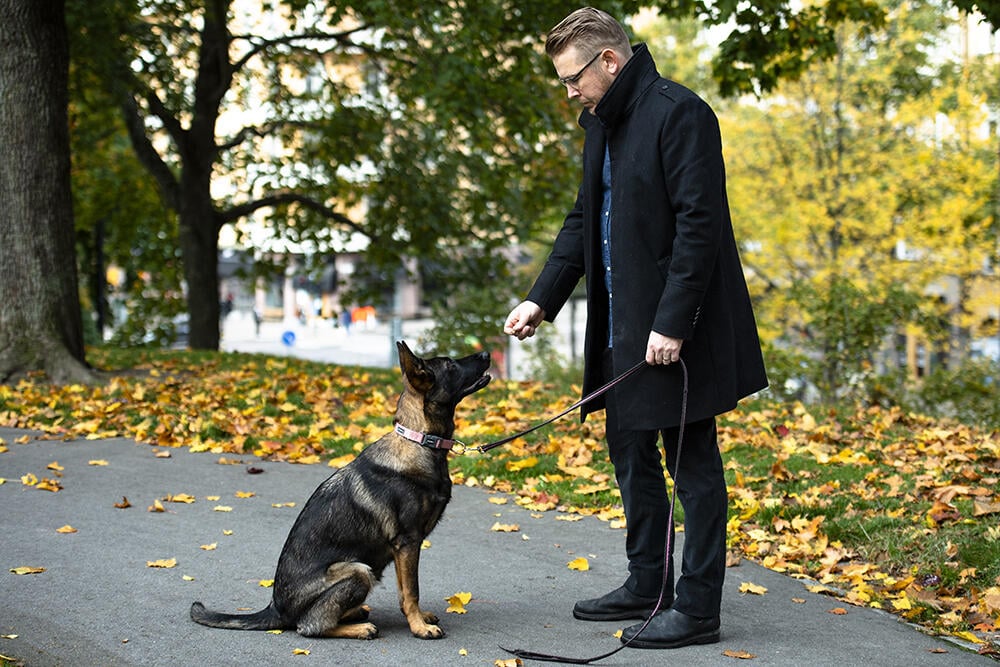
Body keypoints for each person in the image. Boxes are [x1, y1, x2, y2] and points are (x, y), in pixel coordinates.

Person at [502, 7, 767, 650]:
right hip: (620, 331)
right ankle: (648, 582)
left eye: (573, 79)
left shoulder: (681, 113)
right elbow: (582, 219)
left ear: (609, 63)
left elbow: (700, 228)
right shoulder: (603, 124)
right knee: (630, 455)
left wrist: (672, 324)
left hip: (680, 332)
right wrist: (542, 298)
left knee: (692, 465)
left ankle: (698, 607)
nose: (570, 94)